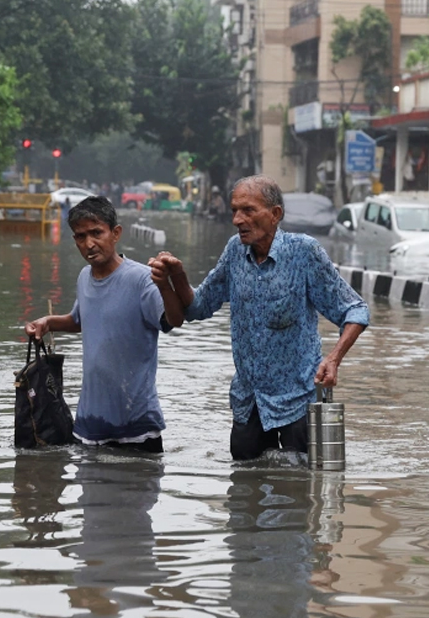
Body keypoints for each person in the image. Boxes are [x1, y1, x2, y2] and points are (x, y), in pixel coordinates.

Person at [149, 175, 369, 460]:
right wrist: (176, 275)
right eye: (234, 211)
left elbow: (355, 310)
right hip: (249, 401)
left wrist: (334, 359)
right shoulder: (234, 251)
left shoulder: (304, 252)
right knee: (244, 491)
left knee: (299, 490)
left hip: (298, 399)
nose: (237, 219)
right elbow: (198, 307)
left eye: (248, 210)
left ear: (275, 214)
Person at [24, 196, 185, 453]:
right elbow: (80, 320)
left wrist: (165, 285)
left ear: (115, 233)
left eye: (97, 232)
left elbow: (174, 319)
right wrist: (47, 322)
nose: (89, 243)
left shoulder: (141, 279)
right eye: (80, 236)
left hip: (137, 428)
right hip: (89, 426)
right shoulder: (84, 277)